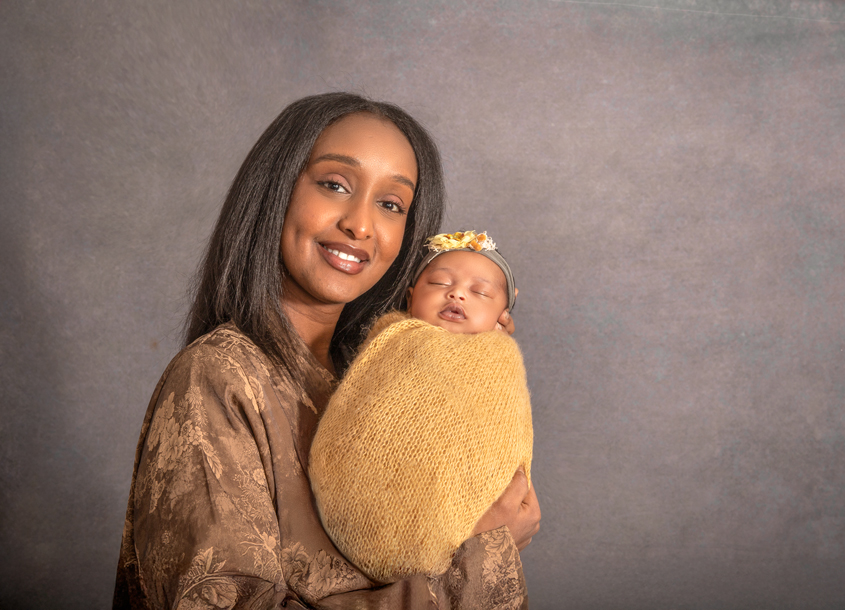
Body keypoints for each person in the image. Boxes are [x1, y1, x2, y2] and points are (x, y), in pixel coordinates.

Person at [112, 93, 540, 610]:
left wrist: (473, 365)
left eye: (391, 205)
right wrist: (479, 562)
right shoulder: (219, 377)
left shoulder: (373, 375)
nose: (360, 225)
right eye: (335, 185)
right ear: (276, 192)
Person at [310, 230, 533, 584]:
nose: (457, 293)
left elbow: (501, 431)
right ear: (411, 297)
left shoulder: (497, 361)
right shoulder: (394, 342)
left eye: (480, 292)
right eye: (440, 283)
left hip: (458, 527)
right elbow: (365, 412)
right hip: (362, 509)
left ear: (503, 315)